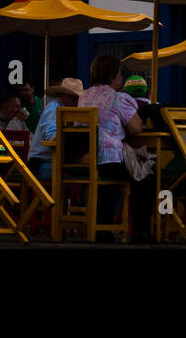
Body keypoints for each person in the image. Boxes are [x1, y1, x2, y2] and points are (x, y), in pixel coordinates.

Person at [77, 55, 153, 243]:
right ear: (112, 77)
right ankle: (140, 231)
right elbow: (136, 128)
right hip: (107, 159)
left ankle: (103, 229)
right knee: (146, 170)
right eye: (119, 74)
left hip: (83, 158)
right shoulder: (118, 98)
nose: (121, 78)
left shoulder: (83, 96)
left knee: (115, 174)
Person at [27, 78, 82, 182]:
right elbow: (51, 136)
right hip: (40, 164)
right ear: (62, 95)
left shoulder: (68, 110)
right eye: (73, 97)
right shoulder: (53, 109)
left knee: (84, 171)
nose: (76, 101)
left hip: (53, 162)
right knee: (79, 173)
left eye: (77, 98)